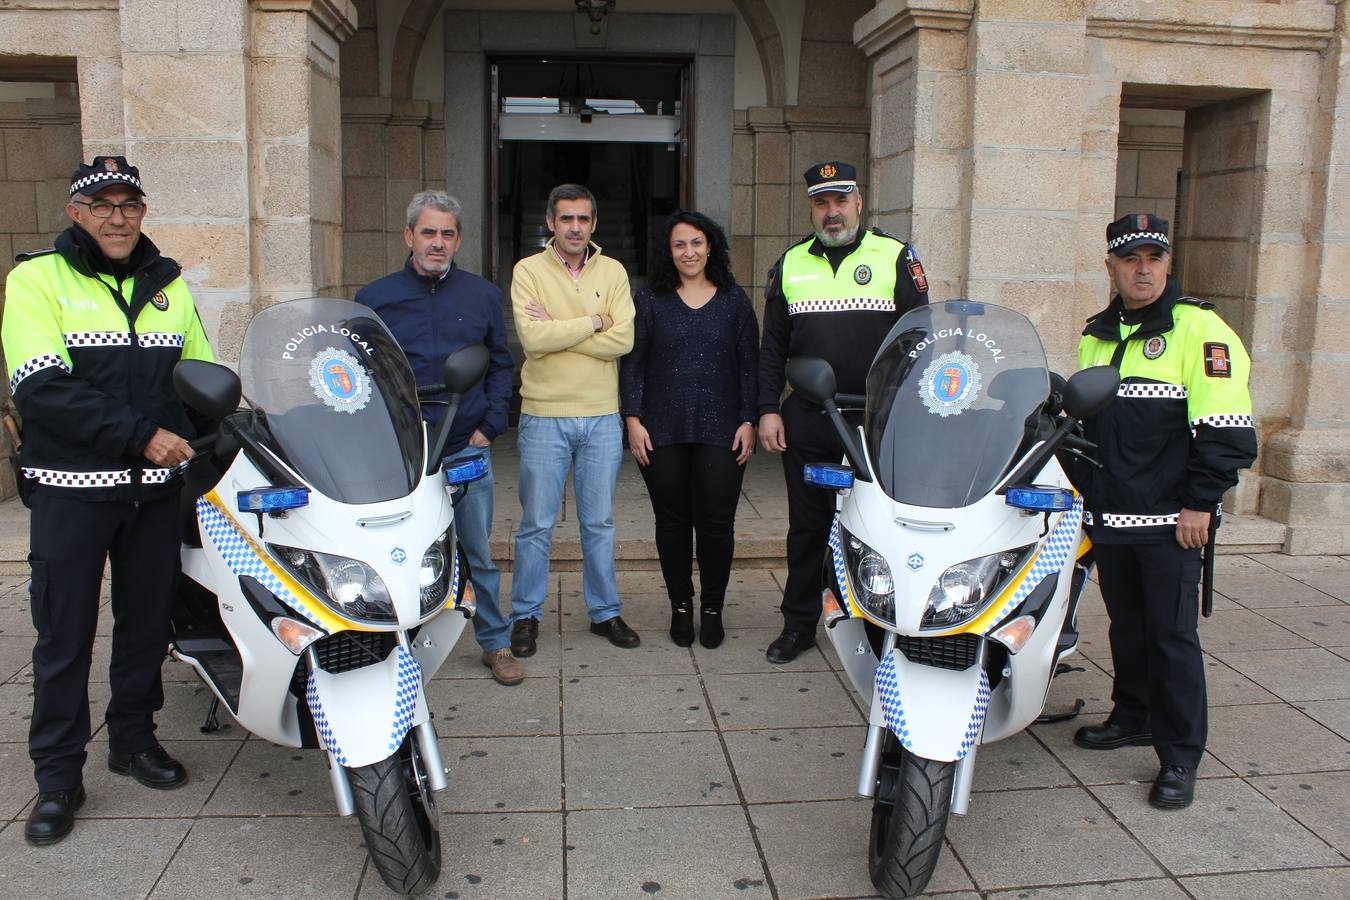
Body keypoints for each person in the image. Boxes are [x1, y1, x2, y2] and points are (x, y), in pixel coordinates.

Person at [2, 156, 215, 845]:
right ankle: (58, 778)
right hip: (71, 495)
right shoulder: (36, 279)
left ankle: (132, 740)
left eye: (130, 204)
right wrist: (141, 436)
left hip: (154, 497)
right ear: (77, 213)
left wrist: (237, 432)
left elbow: (201, 377)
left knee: (148, 626)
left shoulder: (169, 286)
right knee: (63, 638)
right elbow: (41, 389)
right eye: (103, 205)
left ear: (143, 213)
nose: (118, 216)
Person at [1071, 213, 1257, 810]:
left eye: (1153, 257)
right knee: (1126, 627)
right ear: (1112, 268)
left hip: (1173, 522)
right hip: (1112, 515)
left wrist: (1202, 502)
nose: (1142, 268)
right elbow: (1086, 428)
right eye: (1130, 259)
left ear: (1169, 263)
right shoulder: (1097, 335)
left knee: (1172, 637)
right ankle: (1133, 716)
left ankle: (1179, 755)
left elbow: (1225, 427)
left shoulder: (1199, 330)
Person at [758, 161, 929, 664]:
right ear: (810, 207)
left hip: (877, 422)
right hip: (809, 417)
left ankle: (874, 625)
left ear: (858, 202)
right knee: (807, 527)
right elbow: (772, 349)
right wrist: (769, 409)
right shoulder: (790, 264)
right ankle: (797, 624)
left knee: (876, 527)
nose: (832, 212)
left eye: (840, 200)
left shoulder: (896, 257)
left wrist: (914, 415)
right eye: (821, 202)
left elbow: (921, 339)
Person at [355, 191, 520, 686]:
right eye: (428, 232)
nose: (438, 242)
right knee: (397, 553)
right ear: (409, 236)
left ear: (458, 240)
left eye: (448, 233)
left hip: (466, 445)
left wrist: (489, 426)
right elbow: (362, 375)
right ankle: (395, 646)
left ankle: (496, 641)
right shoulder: (374, 299)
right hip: (402, 453)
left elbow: (502, 364)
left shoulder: (482, 295)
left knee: (476, 550)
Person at [508, 183, 638, 655]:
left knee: (599, 523)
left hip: (602, 416)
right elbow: (532, 338)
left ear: (594, 224)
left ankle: (605, 613)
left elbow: (623, 341)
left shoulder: (614, 271)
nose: (576, 227)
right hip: (544, 414)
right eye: (567, 219)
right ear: (550, 222)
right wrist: (593, 322)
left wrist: (559, 331)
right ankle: (525, 615)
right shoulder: (528, 271)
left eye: (583, 219)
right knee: (537, 524)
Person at [620, 211, 758, 649]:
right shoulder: (650, 300)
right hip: (662, 429)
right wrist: (633, 419)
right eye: (680, 245)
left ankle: (713, 609)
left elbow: (749, 367)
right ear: (669, 251)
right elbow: (633, 362)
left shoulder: (734, 300)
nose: (689, 252)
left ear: (710, 246)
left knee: (717, 524)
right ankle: (681, 606)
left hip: (723, 429)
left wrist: (749, 419)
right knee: (672, 522)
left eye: (696, 243)